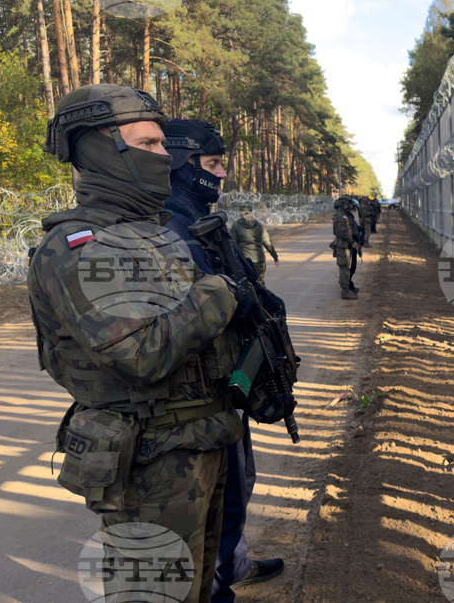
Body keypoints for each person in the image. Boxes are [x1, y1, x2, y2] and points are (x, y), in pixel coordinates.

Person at [28, 84, 246, 602]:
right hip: (149, 461)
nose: (163, 156)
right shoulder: (79, 247)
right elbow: (140, 354)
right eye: (148, 144)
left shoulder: (150, 235)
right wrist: (221, 293)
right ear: (103, 148)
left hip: (196, 442)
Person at [161, 119, 285, 600]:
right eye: (213, 165)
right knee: (221, 498)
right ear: (182, 164)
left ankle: (233, 564)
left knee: (236, 485)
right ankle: (219, 585)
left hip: (221, 385)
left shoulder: (195, 217)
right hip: (198, 395)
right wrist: (240, 300)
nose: (221, 175)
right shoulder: (168, 224)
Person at [230, 208, 279, 283]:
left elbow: (233, 245)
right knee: (260, 283)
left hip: (245, 261)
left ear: (240, 214)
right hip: (259, 260)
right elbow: (267, 243)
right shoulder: (259, 226)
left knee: (247, 284)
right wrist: (275, 257)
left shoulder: (235, 226)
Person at [331, 197, 360, 300]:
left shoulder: (345, 216)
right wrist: (353, 243)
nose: (351, 207)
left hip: (346, 245)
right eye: (350, 205)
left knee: (348, 268)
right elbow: (344, 233)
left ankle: (348, 287)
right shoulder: (340, 217)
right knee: (344, 268)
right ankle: (345, 291)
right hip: (343, 245)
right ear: (344, 205)